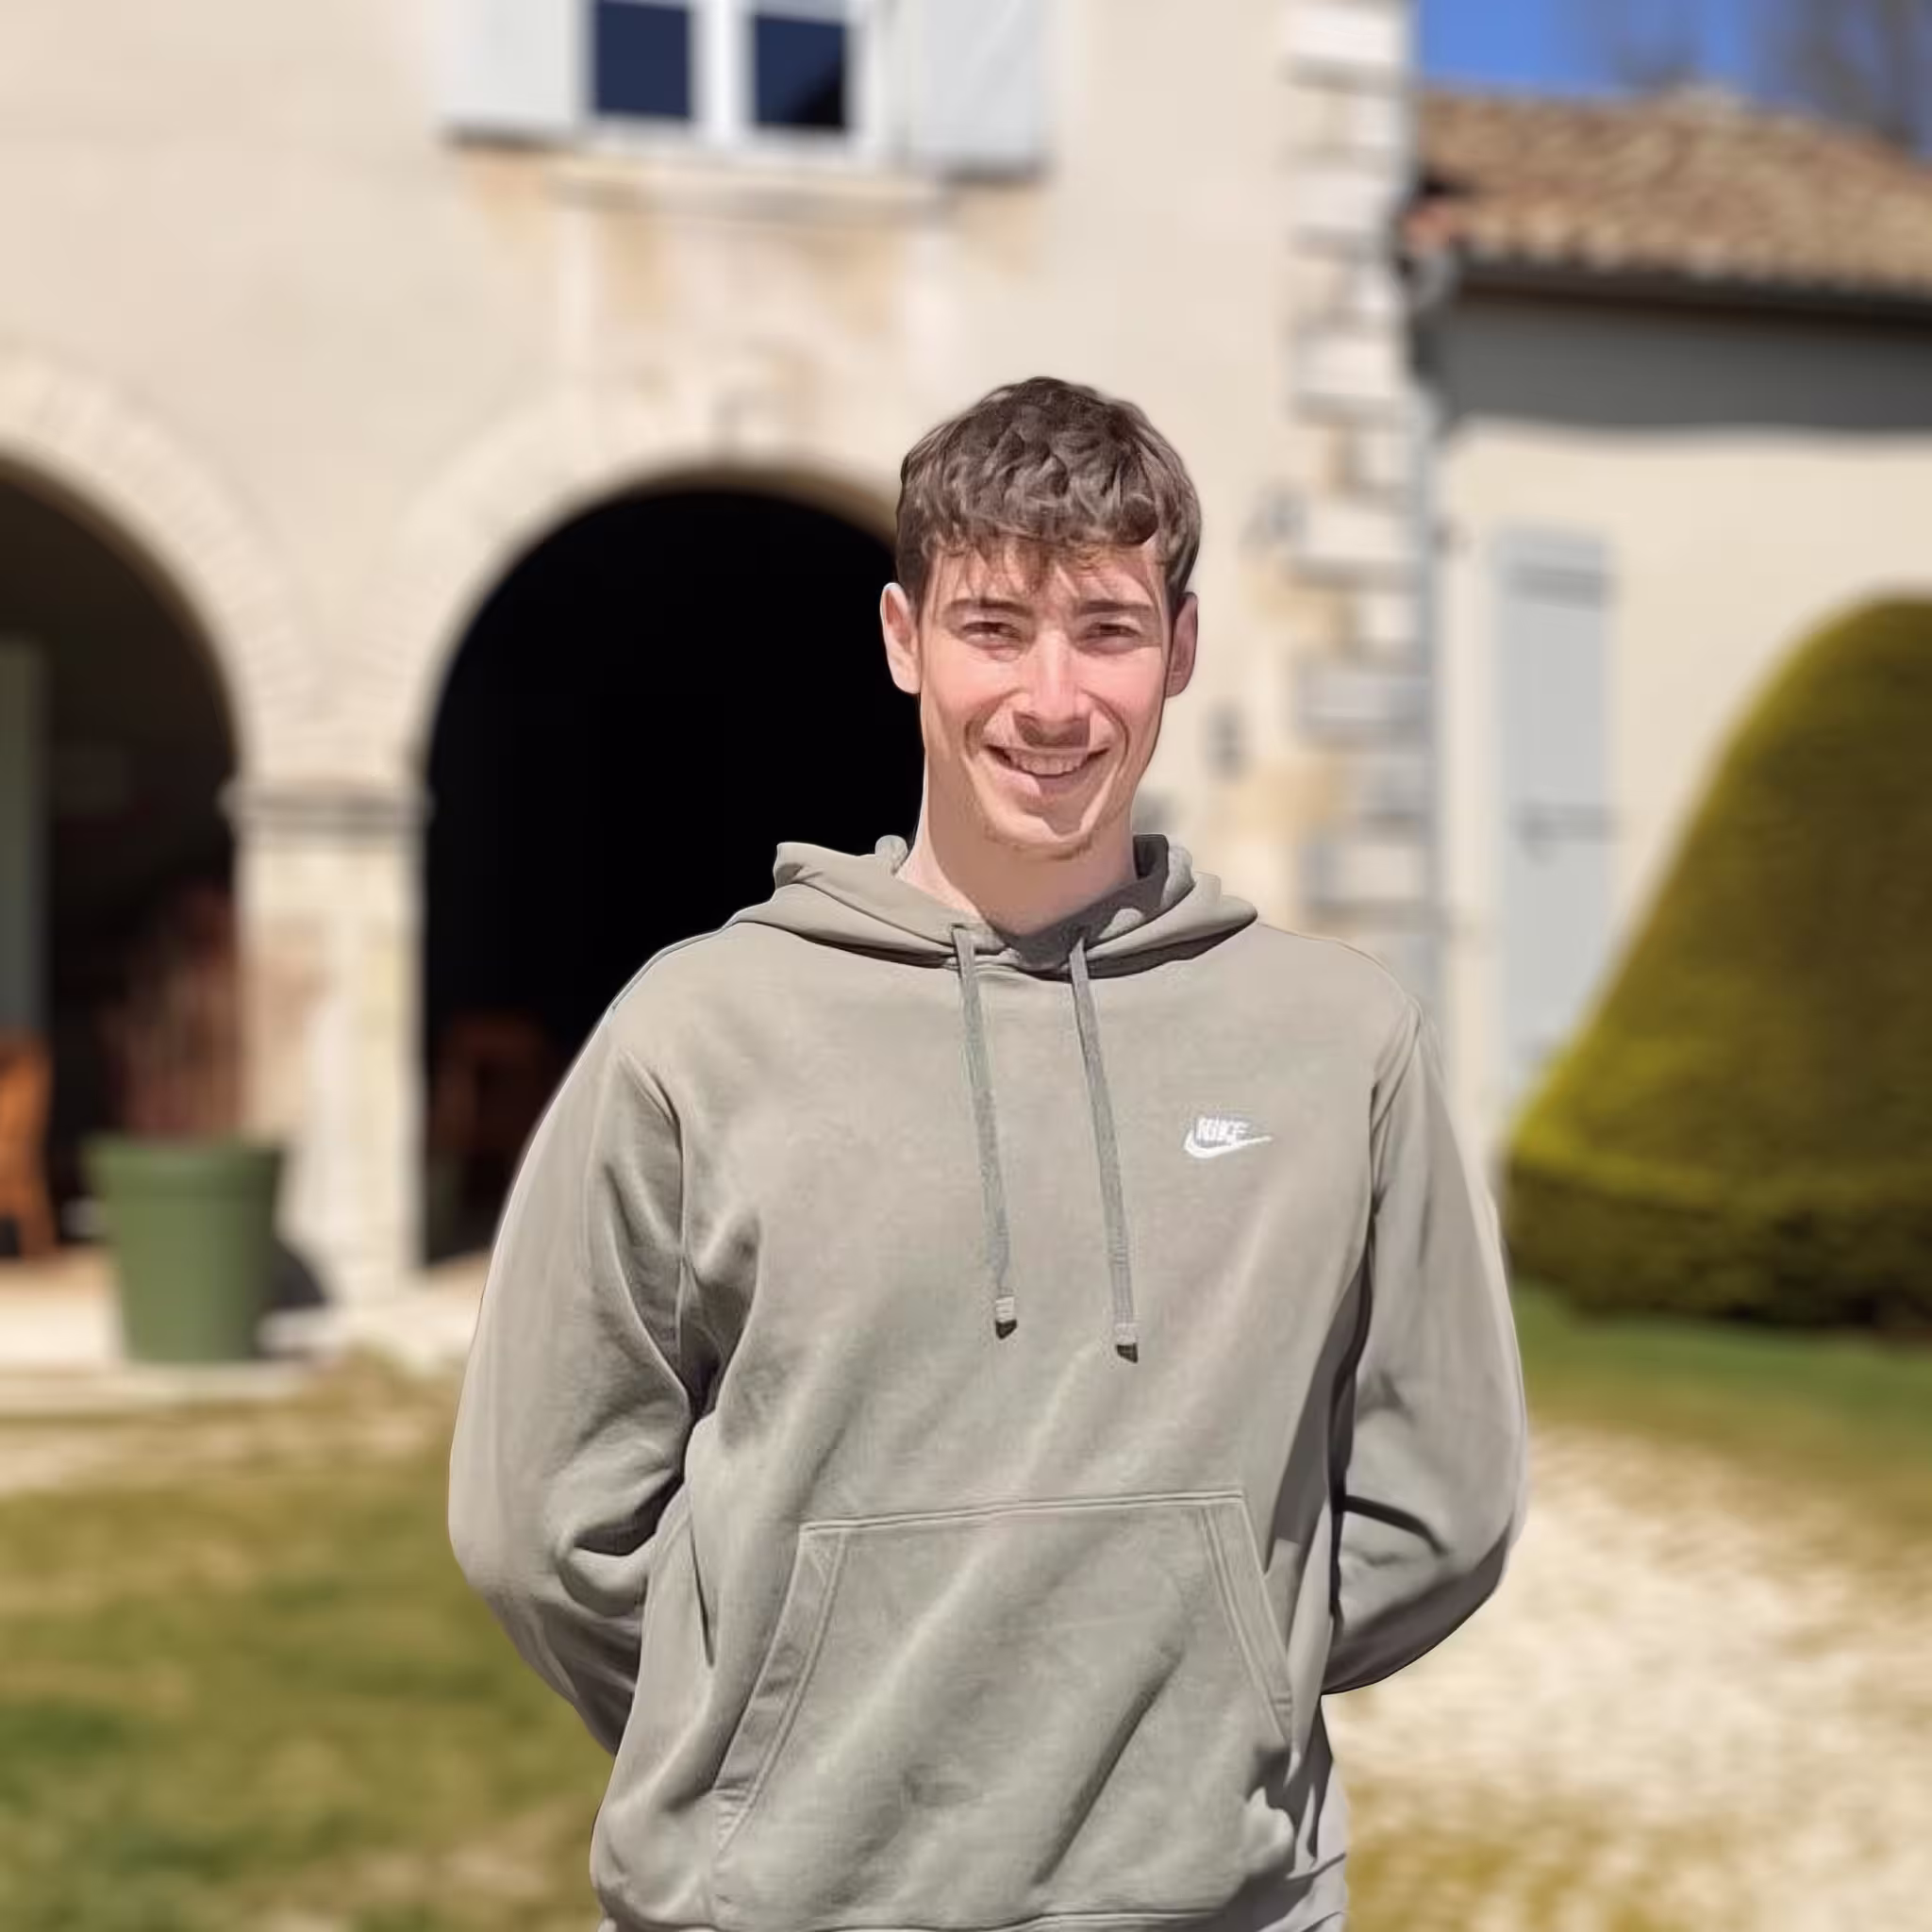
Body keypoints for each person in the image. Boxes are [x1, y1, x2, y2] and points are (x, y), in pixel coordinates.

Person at [447, 375, 1531, 1932]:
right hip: (782, 1903)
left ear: (1182, 648)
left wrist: (1213, 1680)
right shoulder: (699, 1030)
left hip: (1214, 1904)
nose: (1050, 700)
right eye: (993, 626)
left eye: (1105, 627)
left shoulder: (1341, 1041)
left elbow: (1447, 1497)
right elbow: (541, 1519)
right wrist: (773, 1716)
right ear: (904, 640)